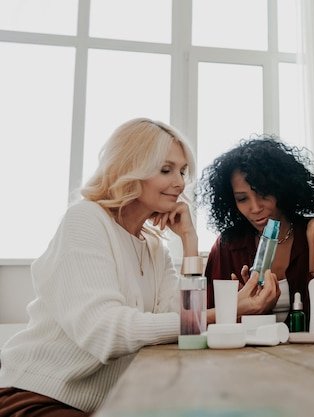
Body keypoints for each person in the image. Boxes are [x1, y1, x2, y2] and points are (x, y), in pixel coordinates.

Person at [0, 118, 280, 416]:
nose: (180, 182)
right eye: (166, 169)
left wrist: (188, 240)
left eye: (183, 171)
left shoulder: (153, 247)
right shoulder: (85, 220)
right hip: (39, 396)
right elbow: (107, 333)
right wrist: (226, 311)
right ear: (131, 168)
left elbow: (185, 326)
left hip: (108, 404)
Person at [197, 136, 314, 324]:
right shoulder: (228, 245)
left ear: (281, 188)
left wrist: (313, 238)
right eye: (242, 199)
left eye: (263, 194)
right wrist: (243, 309)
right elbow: (203, 318)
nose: (255, 207)